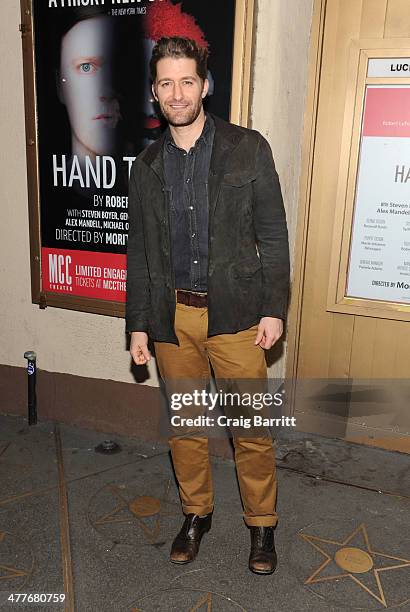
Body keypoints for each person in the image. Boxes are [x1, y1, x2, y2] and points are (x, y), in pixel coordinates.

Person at [126, 37, 290, 575]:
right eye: (166, 83)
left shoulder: (248, 148)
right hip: (174, 320)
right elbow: (141, 256)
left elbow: (273, 234)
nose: (177, 93)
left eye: (187, 81)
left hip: (238, 316)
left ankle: (261, 524)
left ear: (204, 86)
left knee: (250, 429)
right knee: (186, 427)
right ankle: (197, 514)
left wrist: (274, 307)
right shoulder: (146, 167)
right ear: (155, 92)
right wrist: (138, 326)